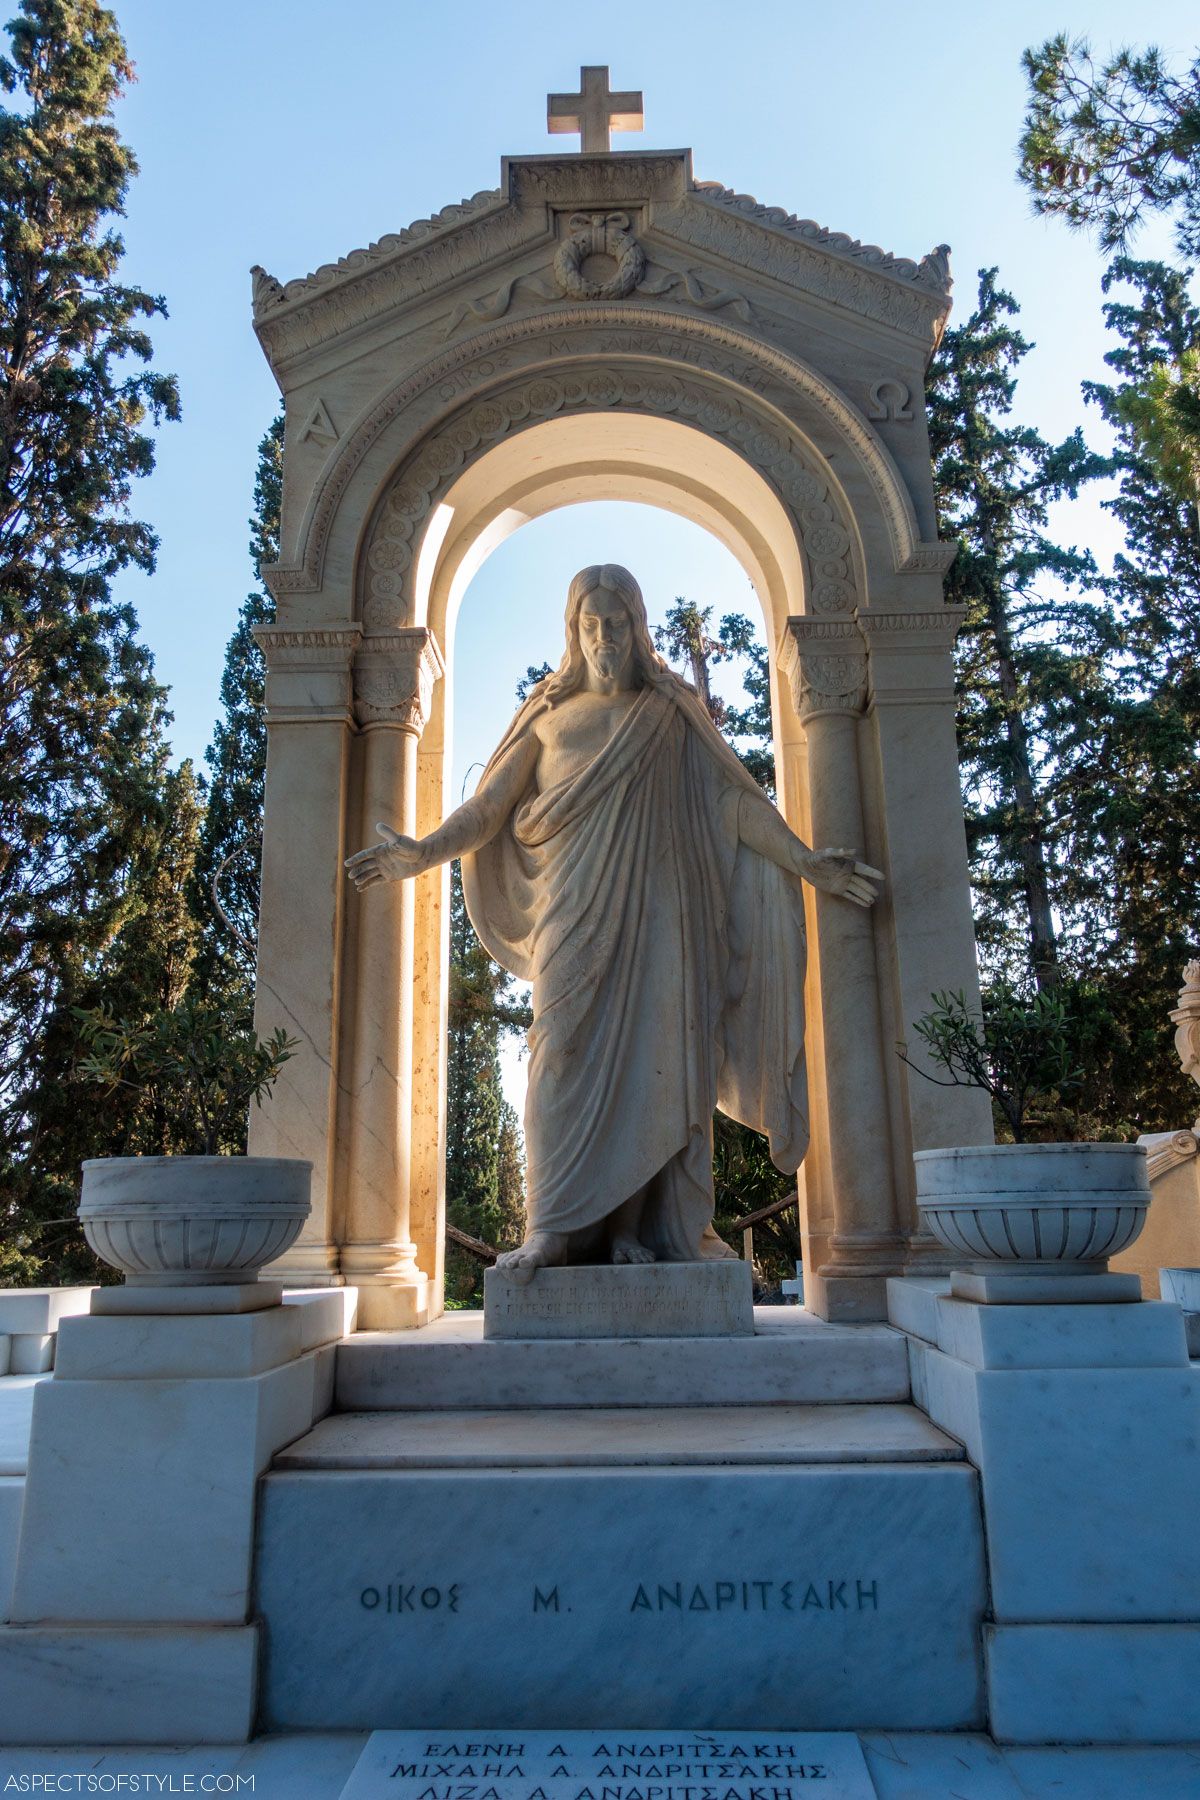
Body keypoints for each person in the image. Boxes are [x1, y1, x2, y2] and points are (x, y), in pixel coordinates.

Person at [347, 564, 881, 1274]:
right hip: (571, 917)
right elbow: (487, 812)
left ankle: (636, 1231)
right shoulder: (547, 719)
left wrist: (805, 859)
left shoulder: (670, 714)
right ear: (573, 632)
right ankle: (552, 1228)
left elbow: (734, 805)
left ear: (639, 628)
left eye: (617, 623)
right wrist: (421, 851)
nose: (604, 637)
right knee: (558, 1054)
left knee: (658, 1071)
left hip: (664, 919)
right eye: (590, 625)